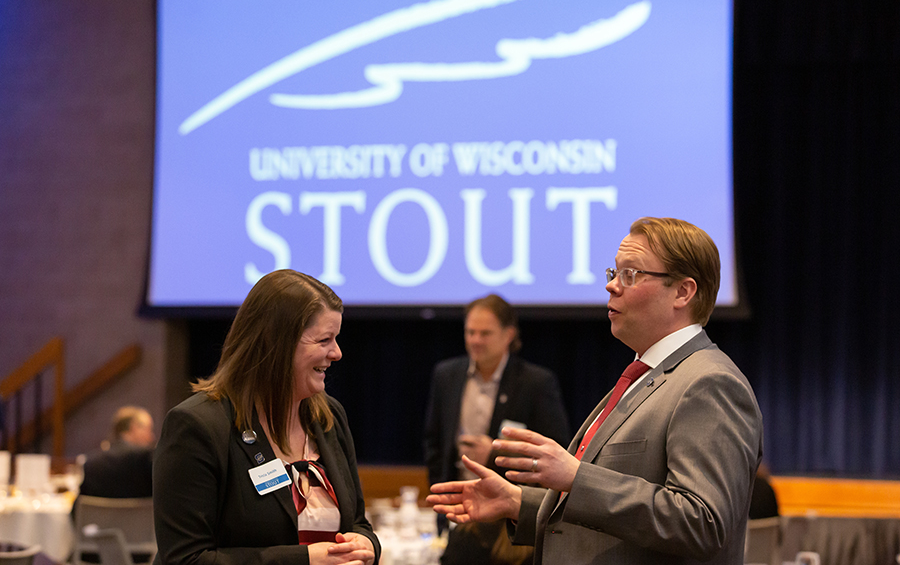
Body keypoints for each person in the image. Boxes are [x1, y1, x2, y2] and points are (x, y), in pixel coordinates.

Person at [427, 217, 764, 565]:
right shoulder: (643, 376)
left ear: (683, 291)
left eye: (631, 274)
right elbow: (603, 510)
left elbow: (702, 523)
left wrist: (576, 477)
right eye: (613, 273)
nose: (612, 287)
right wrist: (519, 503)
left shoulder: (709, 383)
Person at [153, 270, 379, 565]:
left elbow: (358, 521)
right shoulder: (198, 426)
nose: (336, 353)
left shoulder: (328, 417)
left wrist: (366, 544)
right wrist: (304, 560)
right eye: (324, 340)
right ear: (276, 343)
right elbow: (185, 560)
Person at [424, 294, 569, 565]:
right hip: (457, 514)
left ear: (508, 334)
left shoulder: (535, 383)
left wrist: (492, 453)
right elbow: (434, 443)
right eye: (470, 332)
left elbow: (556, 453)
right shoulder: (446, 375)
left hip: (509, 531)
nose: (476, 340)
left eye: (485, 333)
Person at [79, 405, 155, 499]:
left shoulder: (91, 464)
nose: (152, 437)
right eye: (149, 430)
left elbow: (78, 509)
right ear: (134, 428)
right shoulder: (148, 460)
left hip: (102, 514)